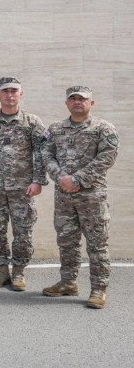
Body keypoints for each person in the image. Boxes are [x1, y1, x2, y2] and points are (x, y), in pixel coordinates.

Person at [41, 86, 119, 309]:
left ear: (91, 103)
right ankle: (68, 282)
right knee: (67, 241)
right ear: (67, 103)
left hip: (92, 196)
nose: (77, 102)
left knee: (97, 243)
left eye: (82, 99)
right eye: (73, 98)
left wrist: (77, 179)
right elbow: (46, 154)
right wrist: (60, 177)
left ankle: (98, 289)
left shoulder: (103, 128)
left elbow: (107, 157)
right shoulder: (56, 129)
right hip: (64, 196)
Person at [0, 77, 47, 292]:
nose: (10, 95)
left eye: (14, 91)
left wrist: (38, 180)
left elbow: (41, 153)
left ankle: (19, 271)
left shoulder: (32, 122)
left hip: (22, 189)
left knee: (23, 232)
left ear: (21, 94)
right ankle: (2, 270)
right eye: (5, 91)